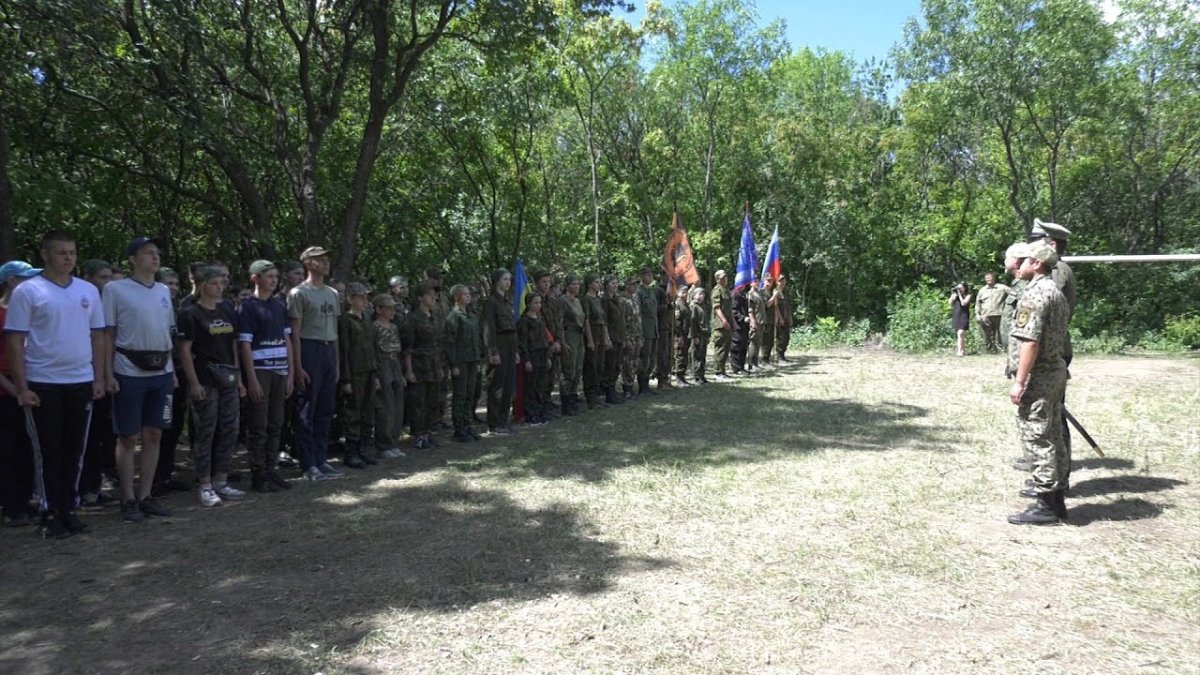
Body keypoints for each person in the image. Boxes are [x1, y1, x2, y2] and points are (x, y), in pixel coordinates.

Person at [6, 231, 106, 539]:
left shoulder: (87, 290)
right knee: (48, 450)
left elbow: (98, 336)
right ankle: (49, 512)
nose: (68, 258)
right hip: (43, 382)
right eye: (61, 252)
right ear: (46, 255)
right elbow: (15, 340)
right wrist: (22, 387)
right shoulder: (29, 291)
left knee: (75, 449)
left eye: (72, 253)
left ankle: (69, 509)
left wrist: (99, 377)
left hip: (80, 380)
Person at [103, 237, 176, 522]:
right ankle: (127, 497)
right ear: (133, 259)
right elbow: (107, 334)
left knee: (154, 433)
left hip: (162, 370)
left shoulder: (162, 290)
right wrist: (108, 373)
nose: (155, 258)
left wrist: (172, 370)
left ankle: (145, 496)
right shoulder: (115, 290)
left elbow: (169, 331)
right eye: (148, 253)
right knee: (128, 436)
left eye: (157, 253)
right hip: (128, 369)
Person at [1005, 242, 1071, 525]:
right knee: (1054, 433)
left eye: (1023, 261)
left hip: (1040, 376)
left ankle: (1045, 504)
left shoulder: (1035, 295)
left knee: (1038, 435)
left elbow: (1030, 342)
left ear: (1036, 263)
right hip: (1054, 371)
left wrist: (1019, 381)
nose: (1018, 266)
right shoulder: (1054, 291)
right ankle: (1056, 500)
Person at [178, 265, 247, 506]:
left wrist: (238, 378)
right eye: (214, 283)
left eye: (222, 283)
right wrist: (193, 383)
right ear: (202, 285)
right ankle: (205, 484)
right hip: (205, 380)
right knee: (206, 432)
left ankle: (221, 480)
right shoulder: (191, 313)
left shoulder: (228, 309)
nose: (219, 287)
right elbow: (185, 351)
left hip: (228, 378)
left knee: (230, 429)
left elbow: (234, 346)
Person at [237, 259, 294, 493]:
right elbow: (244, 345)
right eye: (268, 276)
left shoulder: (280, 306)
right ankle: (258, 473)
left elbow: (287, 339)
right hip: (260, 372)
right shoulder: (247, 307)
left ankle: (272, 469)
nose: (274, 280)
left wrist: (290, 373)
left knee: (276, 423)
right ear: (255, 278)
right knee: (258, 426)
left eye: (275, 276)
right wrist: (251, 380)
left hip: (280, 371)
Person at [288, 246, 343, 481]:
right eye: (321, 259)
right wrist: (298, 367)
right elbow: (295, 333)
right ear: (309, 263)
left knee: (325, 410)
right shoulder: (298, 293)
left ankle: (321, 459)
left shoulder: (332, 293)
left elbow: (336, 332)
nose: (326, 262)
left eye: (327, 258)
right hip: (309, 350)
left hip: (329, 350)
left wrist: (337, 363)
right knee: (306, 410)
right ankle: (308, 463)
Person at [0, 261, 41, 528]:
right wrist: (14, 388)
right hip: (6, 393)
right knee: (8, 450)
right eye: (27, 278)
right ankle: (11, 506)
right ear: (12, 281)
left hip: (31, 388)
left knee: (29, 448)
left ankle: (26, 500)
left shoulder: (31, 312)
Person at [78, 258, 117, 510]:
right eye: (103, 278)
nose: (108, 283)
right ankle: (82, 490)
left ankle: (94, 486)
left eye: (110, 277)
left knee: (104, 435)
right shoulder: (81, 302)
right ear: (88, 278)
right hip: (81, 377)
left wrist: (105, 376)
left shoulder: (109, 304)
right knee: (85, 437)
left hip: (106, 378)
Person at [153, 267, 191, 495]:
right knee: (160, 427)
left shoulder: (179, 310)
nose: (173, 288)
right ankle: (155, 479)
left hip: (180, 372)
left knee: (175, 426)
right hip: (163, 373)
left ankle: (165, 475)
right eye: (168, 283)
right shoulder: (154, 309)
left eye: (176, 283)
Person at [337, 282, 378, 468]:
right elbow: (343, 351)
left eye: (366, 297)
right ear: (350, 299)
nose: (364, 300)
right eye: (361, 297)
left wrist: (375, 374)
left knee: (367, 412)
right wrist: (345, 379)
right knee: (353, 412)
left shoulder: (367, 319)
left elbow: (372, 348)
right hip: (354, 374)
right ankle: (351, 452)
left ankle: (363, 449)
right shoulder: (345, 321)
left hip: (368, 371)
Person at [403, 282, 442, 449]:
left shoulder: (432, 317)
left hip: (432, 364)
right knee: (418, 401)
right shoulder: (412, 319)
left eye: (434, 295)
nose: (433, 298)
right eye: (429, 295)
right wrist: (409, 370)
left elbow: (436, 343)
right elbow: (408, 348)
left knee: (432, 400)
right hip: (419, 365)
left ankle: (427, 432)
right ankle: (419, 434)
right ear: (420, 298)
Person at [444, 284, 482, 442]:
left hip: (472, 359)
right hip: (460, 361)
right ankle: (459, 428)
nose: (468, 296)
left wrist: (478, 359)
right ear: (457, 297)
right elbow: (450, 342)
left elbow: (477, 339)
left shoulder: (472, 315)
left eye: (469, 294)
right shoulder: (454, 316)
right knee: (460, 394)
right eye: (465, 294)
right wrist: (453, 365)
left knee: (470, 393)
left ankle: (467, 424)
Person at [372, 293, 408, 456]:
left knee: (398, 405)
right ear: (379, 309)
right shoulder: (374, 327)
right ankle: (384, 444)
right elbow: (372, 352)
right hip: (382, 364)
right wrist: (375, 376)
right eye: (389, 308)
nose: (392, 311)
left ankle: (394, 441)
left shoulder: (394, 327)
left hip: (395, 364)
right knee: (385, 406)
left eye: (394, 308)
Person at [517, 293, 551, 425]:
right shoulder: (524, 321)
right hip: (532, 355)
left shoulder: (540, 319)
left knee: (540, 385)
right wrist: (526, 360)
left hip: (542, 354)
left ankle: (539, 410)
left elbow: (545, 339)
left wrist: (548, 356)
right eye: (536, 303)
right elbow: (523, 342)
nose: (538, 305)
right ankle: (530, 414)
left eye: (540, 303)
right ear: (529, 304)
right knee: (530, 385)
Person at [533, 271, 564, 416]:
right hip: (543, 344)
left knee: (552, 376)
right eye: (543, 281)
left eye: (548, 281)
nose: (546, 284)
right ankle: (540, 405)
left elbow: (557, 322)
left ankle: (547, 401)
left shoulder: (552, 301)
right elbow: (541, 324)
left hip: (555, 343)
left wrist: (558, 340)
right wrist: (551, 341)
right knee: (543, 377)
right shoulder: (534, 301)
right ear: (537, 283)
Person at [581, 273, 609, 409]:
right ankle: (590, 397)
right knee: (591, 366)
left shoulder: (598, 299)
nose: (599, 285)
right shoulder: (586, 299)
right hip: (592, 332)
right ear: (589, 284)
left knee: (600, 365)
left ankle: (597, 396)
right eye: (596, 282)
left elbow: (603, 320)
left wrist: (606, 337)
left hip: (600, 333)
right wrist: (590, 340)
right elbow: (586, 320)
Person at [559, 275, 585, 416]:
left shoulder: (577, 301)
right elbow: (560, 322)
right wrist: (563, 342)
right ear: (567, 285)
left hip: (579, 335)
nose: (576, 286)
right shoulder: (563, 301)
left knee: (578, 368)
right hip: (569, 335)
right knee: (569, 369)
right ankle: (566, 402)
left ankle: (573, 397)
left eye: (578, 284)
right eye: (574, 284)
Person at [600, 275, 626, 405]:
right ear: (606, 285)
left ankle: (613, 390)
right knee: (610, 365)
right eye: (612, 283)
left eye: (616, 283)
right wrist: (606, 338)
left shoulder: (617, 299)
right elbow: (604, 320)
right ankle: (608, 393)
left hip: (619, 336)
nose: (615, 286)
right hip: (611, 336)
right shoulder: (604, 300)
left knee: (616, 365)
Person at [635, 267, 660, 396]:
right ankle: (642, 386)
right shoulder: (639, 292)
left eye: (651, 275)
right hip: (645, 330)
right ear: (641, 276)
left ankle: (646, 385)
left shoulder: (651, 291)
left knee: (652, 358)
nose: (650, 277)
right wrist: (640, 332)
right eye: (647, 275)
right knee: (644, 358)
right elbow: (638, 314)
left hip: (653, 329)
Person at [975, 272, 1011, 353]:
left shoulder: (1002, 287)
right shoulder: (982, 290)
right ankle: (989, 350)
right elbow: (978, 304)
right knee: (987, 334)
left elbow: (1013, 293)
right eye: (986, 278)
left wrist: (1010, 305)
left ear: (994, 278)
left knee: (999, 333)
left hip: (999, 314)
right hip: (986, 315)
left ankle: (1000, 350)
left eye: (990, 278)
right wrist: (977, 314)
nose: (988, 280)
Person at [619, 277, 643, 399]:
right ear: (627, 285)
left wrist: (641, 336)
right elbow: (622, 321)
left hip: (637, 335)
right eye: (632, 284)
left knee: (634, 362)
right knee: (627, 362)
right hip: (629, 336)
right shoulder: (622, 300)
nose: (635, 287)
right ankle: (626, 388)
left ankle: (631, 385)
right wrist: (626, 338)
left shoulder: (635, 298)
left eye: (636, 285)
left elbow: (639, 319)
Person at [710, 270, 732, 377]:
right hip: (720, 324)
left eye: (726, 277)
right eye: (722, 278)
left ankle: (722, 370)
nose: (725, 279)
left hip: (727, 324)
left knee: (726, 347)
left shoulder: (726, 291)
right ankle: (718, 372)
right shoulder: (717, 291)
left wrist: (733, 323)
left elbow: (729, 309)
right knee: (720, 348)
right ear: (717, 279)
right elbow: (717, 308)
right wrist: (724, 321)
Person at [689, 286, 710, 384]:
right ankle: (697, 376)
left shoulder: (704, 306)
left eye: (703, 294)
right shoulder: (693, 306)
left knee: (702, 355)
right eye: (700, 294)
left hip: (704, 333)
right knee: (696, 355)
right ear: (694, 295)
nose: (702, 296)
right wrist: (695, 336)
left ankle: (702, 375)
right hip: (698, 334)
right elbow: (693, 323)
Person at [671, 285, 691, 387]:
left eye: (686, 292)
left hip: (686, 333)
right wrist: (680, 336)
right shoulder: (677, 305)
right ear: (677, 293)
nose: (684, 294)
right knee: (679, 355)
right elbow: (677, 321)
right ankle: (678, 377)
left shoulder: (686, 304)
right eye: (682, 292)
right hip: (680, 334)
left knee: (684, 355)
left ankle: (682, 376)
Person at [730, 284, 750, 374]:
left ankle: (741, 367)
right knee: (736, 346)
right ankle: (736, 368)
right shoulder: (735, 294)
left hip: (744, 325)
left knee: (743, 346)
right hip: (737, 324)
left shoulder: (743, 294)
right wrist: (742, 317)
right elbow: (734, 310)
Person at [949, 282, 972, 356]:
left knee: (961, 333)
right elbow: (950, 303)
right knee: (959, 334)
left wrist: (959, 294)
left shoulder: (968, 295)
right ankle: (962, 350)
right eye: (958, 288)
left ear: (965, 288)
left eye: (961, 288)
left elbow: (963, 303)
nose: (959, 289)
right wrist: (953, 296)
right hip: (957, 315)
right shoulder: (955, 295)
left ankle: (960, 351)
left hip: (964, 315)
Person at [774, 275, 792, 362]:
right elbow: (776, 306)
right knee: (780, 338)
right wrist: (780, 318)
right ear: (777, 282)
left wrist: (790, 317)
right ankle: (779, 356)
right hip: (780, 319)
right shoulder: (776, 292)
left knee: (786, 338)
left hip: (786, 318)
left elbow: (788, 307)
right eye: (780, 281)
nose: (782, 283)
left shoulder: (786, 292)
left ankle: (783, 355)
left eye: (783, 281)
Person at [760, 276, 778, 366]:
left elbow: (774, 307)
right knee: (765, 341)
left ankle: (768, 358)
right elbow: (767, 304)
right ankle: (764, 359)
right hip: (765, 320)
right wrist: (774, 296)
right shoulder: (762, 292)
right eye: (767, 280)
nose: (769, 282)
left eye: (771, 281)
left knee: (770, 341)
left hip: (771, 319)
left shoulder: (771, 292)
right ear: (763, 281)